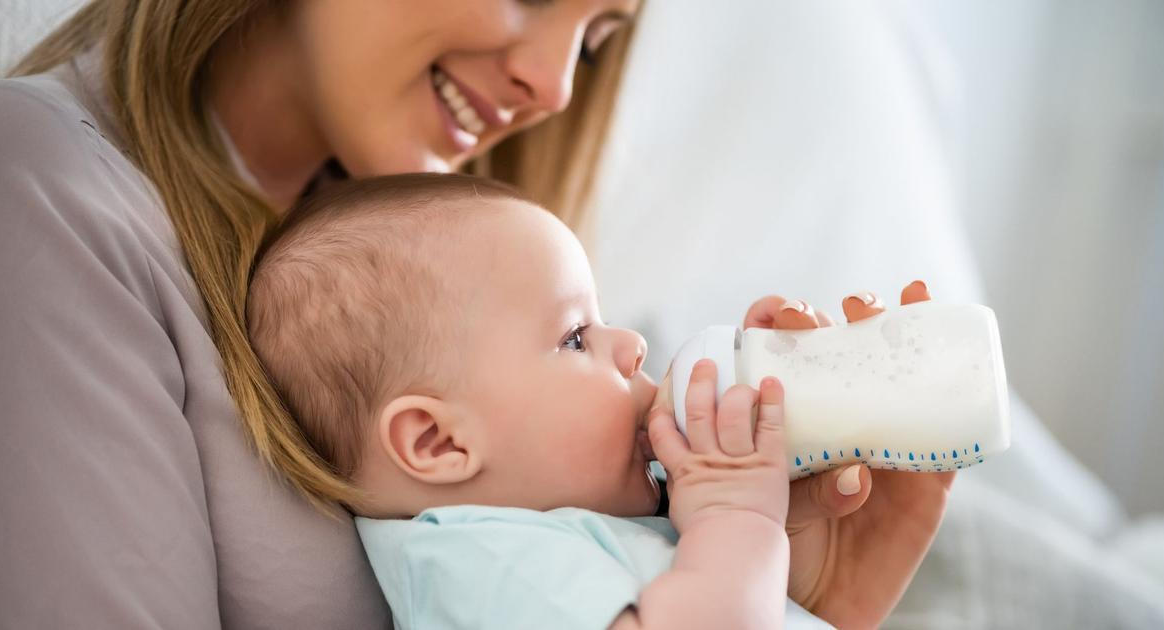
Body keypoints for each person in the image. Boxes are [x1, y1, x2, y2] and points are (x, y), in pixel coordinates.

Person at [0, 1, 949, 627]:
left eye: (597, 36)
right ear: (430, 441)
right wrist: (735, 539)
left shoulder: (437, 272)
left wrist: (803, 591)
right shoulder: (39, 185)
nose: (556, 85)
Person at [246, 172, 948, 629]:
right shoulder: (480, 559)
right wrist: (736, 520)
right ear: (439, 442)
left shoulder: (595, 532)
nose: (634, 344)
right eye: (575, 337)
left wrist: (797, 579)